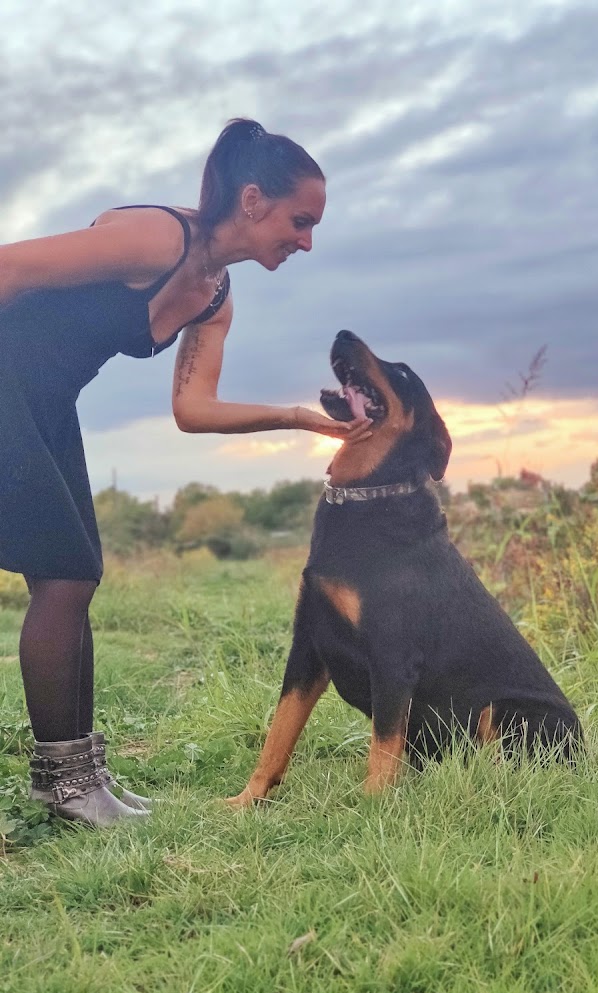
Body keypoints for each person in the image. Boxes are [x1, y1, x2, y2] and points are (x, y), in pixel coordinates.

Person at [0, 117, 371, 827]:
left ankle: (79, 779)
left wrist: (298, 416)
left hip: (47, 402)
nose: (306, 241)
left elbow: (192, 410)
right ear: (254, 199)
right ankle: (65, 787)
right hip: (5, 381)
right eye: (300, 220)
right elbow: (9, 268)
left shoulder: (213, 295)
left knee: (75, 577)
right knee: (66, 576)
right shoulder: (157, 238)